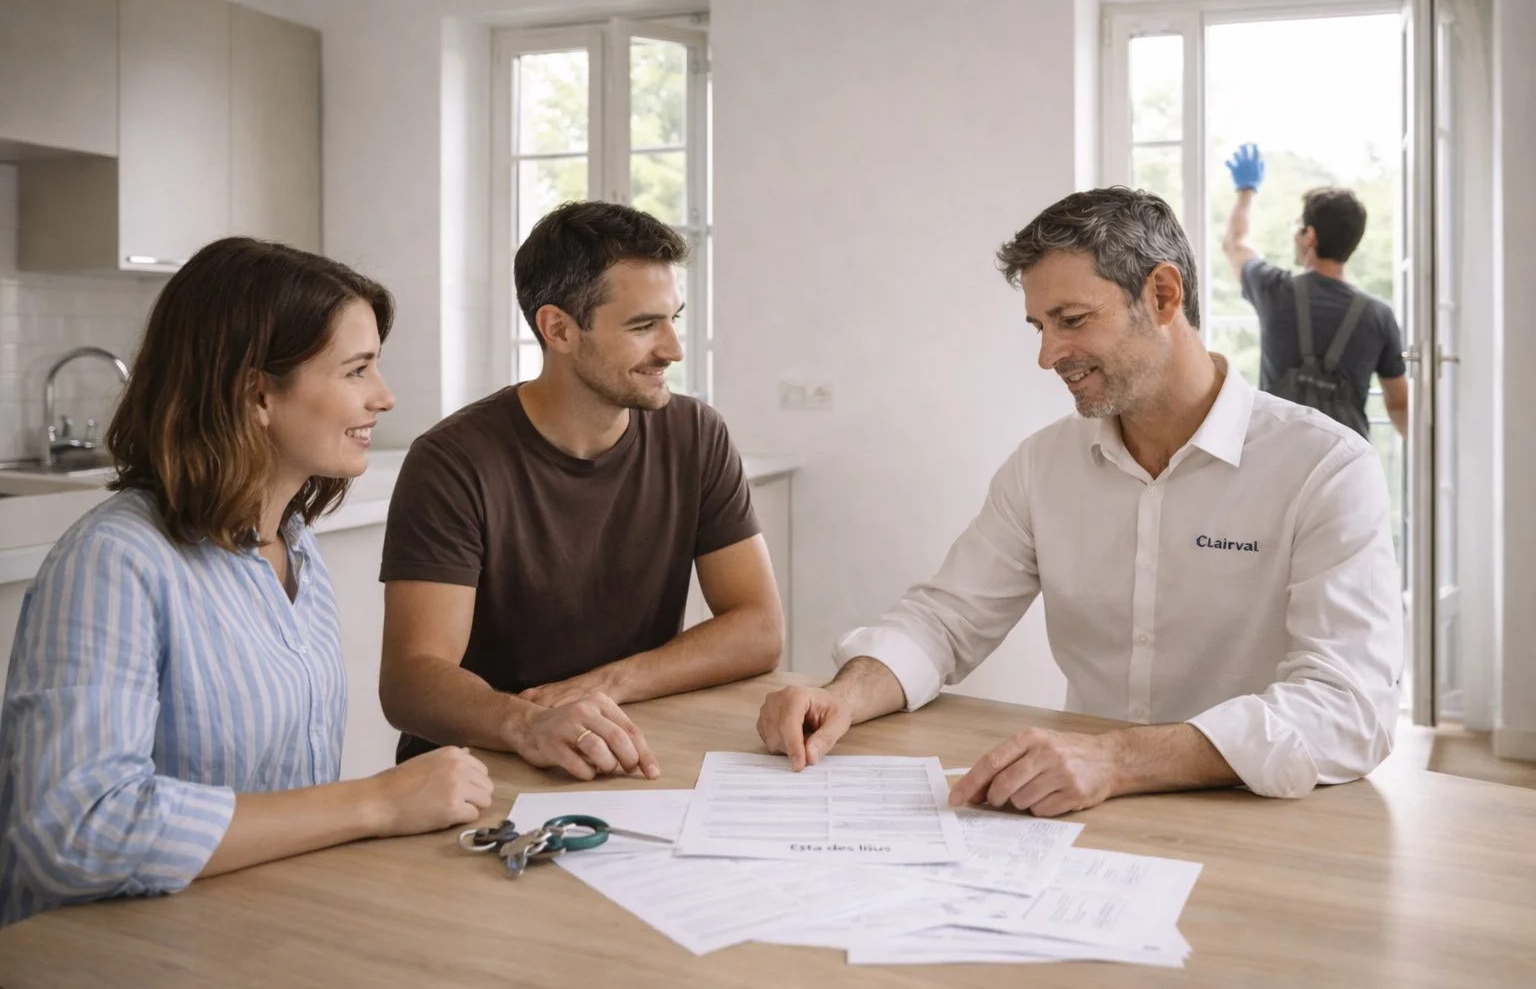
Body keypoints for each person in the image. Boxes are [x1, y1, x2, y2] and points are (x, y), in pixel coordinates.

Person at [756, 187, 1402, 816]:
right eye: (1040, 326)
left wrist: (1118, 760)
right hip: (1080, 814)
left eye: (1072, 321)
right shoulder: (1043, 465)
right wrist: (843, 694)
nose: (1047, 355)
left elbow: (1349, 707)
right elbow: (946, 620)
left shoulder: (1326, 468)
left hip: (1256, 821)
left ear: (1163, 295)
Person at [0, 238, 493, 929]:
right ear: (258, 393)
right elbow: (75, 832)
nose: (384, 397)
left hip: (258, 930)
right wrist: (376, 802)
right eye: (357, 370)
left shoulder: (295, 548)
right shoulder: (113, 563)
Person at [378, 201, 783, 780]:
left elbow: (759, 629)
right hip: (480, 771)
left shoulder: (696, 433)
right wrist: (525, 722)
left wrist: (608, 685)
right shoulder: (452, 461)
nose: (673, 349)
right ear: (558, 329)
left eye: (674, 319)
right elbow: (411, 681)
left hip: (623, 745)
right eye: (644, 326)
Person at [1220, 143, 1408, 439]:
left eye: (1298, 227)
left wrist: (1246, 191)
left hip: (1278, 460)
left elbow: (1234, 244)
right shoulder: (1378, 316)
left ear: (1310, 236)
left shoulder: (1274, 291)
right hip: (1346, 466)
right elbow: (1399, 405)